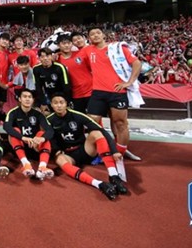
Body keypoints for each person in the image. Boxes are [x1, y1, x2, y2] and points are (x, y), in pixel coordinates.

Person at [47, 93, 127, 200]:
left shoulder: (77, 115)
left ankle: (114, 176)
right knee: (60, 160)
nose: (59, 106)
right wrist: (55, 151)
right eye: (55, 103)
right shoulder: (49, 120)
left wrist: (114, 150)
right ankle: (99, 184)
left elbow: (102, 130)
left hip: (85, 150)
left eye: (61, 102)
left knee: (96, 133)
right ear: (51, 105)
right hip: (68, 155)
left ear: (66, 104)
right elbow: (47, 138)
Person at [83, 26, 142, 161]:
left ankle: (121, 152)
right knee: (92, 122)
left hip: (117, 92)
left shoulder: (117, 48)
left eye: (98, 33)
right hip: (98, 92)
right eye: (92, 34)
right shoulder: (88, 50)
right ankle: (99, 150)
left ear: (104, 35)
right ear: (89, 38)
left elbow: (137, 63)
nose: (95, 35)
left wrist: (129, 82)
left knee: (120, 123)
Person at [3, 89, 54, 180]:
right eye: (25, 97)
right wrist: (23, 138)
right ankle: (26, 164)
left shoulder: (38, 114)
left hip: (34, 146)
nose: (27, 99)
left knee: (42, 134)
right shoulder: (13, 112)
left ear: (33, 100)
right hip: (19, 146)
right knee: (14, 131)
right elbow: (7, 127)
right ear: (20, 99)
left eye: (30, 97)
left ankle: (42, 167)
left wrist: (41, 139)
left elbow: (50, 130)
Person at [58, 33, 93, 113]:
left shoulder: (81, 53)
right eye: (64, 43)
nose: (67, 45)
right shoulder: (57, 60)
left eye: (69, 43)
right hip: (75, 95)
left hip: (90, 92)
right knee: (79, 120)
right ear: (59, 45)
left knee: (94, 119)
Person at [33, 47, 72, 114]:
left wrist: (66, 102)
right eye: (42, 56)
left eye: (47, 56)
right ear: (39, 58)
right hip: (48, 97)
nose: (45, 58)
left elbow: (66, 86)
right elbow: (38, 87)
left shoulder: (60, 67)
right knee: (45, 113)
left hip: (61, 96)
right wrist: (43, 102)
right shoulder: (36, 69)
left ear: (51, 56)